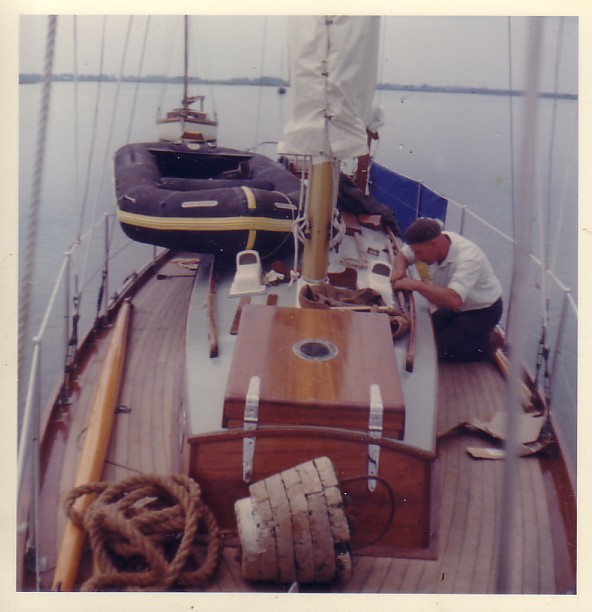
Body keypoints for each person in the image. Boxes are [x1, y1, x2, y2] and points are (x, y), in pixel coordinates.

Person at [391, 217, 503, 362]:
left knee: (437, 353)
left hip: (482, 311)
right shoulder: (427, 244)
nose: (416, 257)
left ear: (433, 244)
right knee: (421, 334)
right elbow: (402, 255)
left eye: (419, 253)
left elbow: (453, 300)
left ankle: (490, 343)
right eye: (415, 253)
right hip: (455, 308)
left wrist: (415, 285)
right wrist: (400, 271)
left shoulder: (468, 258)